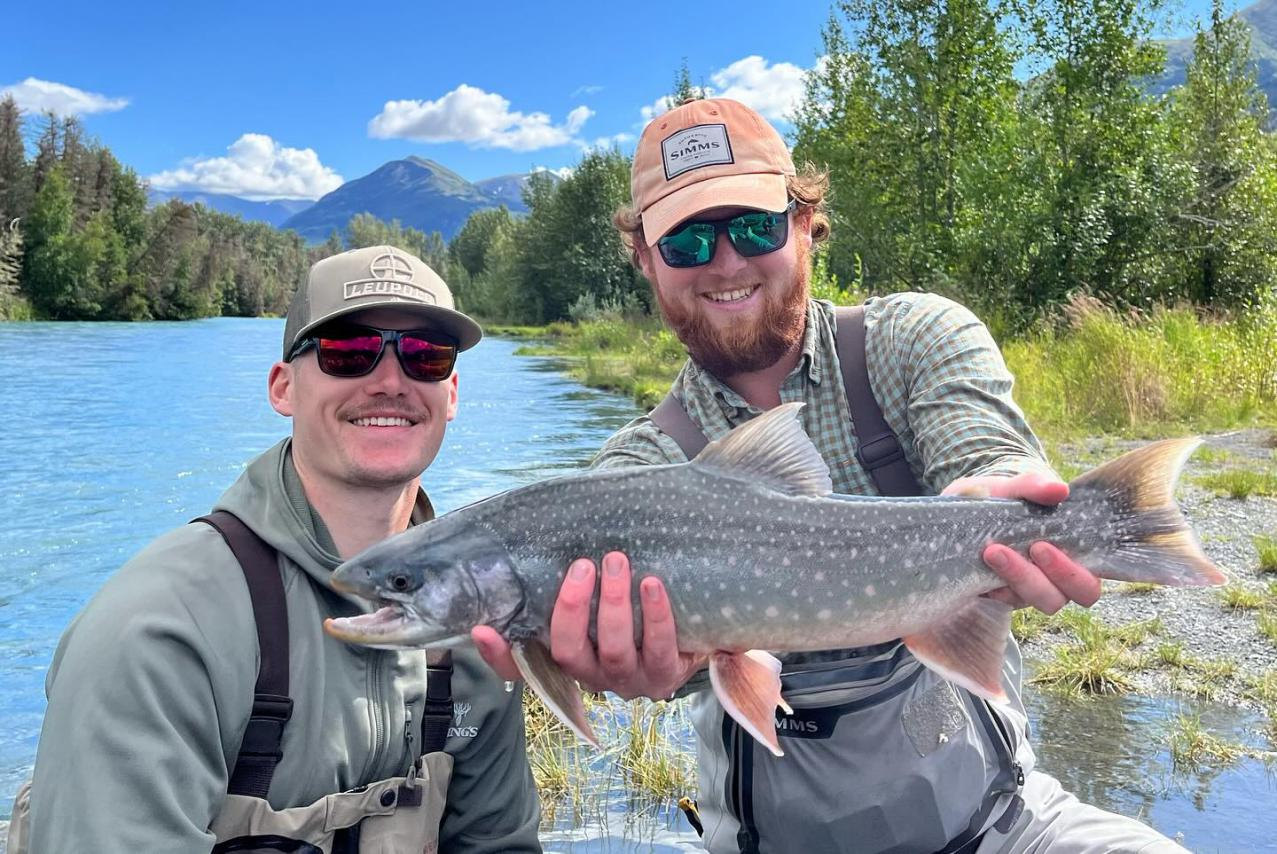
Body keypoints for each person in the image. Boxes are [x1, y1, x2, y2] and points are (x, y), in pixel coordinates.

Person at [476, 98, 1186, 853]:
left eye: (753, 226)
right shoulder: (636, 469)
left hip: (999, 826)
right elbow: (639, 660)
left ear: (806, 224)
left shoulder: (913, 340)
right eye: (684, 241)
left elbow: (982, 450)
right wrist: (629, 668)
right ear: (645, 260)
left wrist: (1009, 489)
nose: (724, 261)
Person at [16, 246, 542, 853]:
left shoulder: (480, 624)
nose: (391, 381)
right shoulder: (159, 631)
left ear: (450, 393)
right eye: (348, 351)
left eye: (425, 355)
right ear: (283, 387)